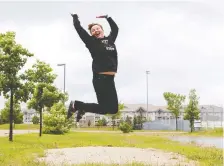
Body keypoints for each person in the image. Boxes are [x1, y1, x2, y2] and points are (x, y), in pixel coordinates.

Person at [67, 13, 119, 123]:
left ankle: (81, 107)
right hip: (99, 78)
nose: (96, 30)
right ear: (92, 34)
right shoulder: (91, 42)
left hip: (110, 79)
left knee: (113, 109)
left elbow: (115, 29)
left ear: (102, 30)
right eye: (93, 30)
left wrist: (108, 17)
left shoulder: (110, 40)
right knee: (105, 108)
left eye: (97, 28)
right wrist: (75, 17)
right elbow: (79, 29)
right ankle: (76, 105)